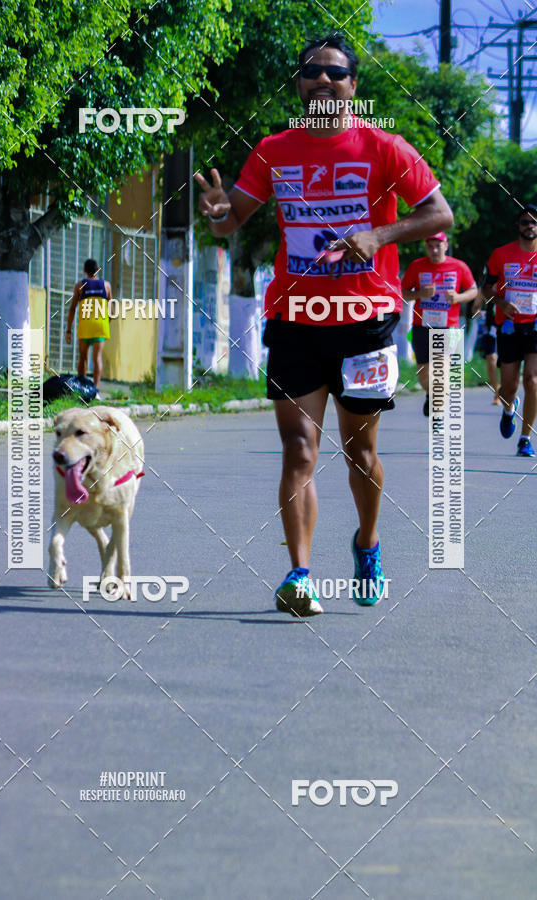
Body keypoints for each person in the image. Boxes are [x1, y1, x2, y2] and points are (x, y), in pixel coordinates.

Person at [195, 33, 453, 617]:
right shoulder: (273, 150)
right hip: (295, 318)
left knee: (359, 453)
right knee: (299, 449)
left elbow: (441, 214)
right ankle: (300, 574)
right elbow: (230, 221)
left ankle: (367, 544)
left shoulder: (385, 148)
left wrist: (378, 235)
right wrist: (217, 216)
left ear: (353, 86)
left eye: (335, 73)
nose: (323, 80)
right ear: (300, 83)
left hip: (364, 321)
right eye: (312, 72)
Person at [401, 233, 477, 416]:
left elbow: (473, 290)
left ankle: (438, 415)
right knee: (424, 376)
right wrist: (419, 293)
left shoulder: (459, 266)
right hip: (422, 327)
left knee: (441, 373)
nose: (435, 250)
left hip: (447, 327)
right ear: (426, 247)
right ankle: (431, 395)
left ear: (446, 245)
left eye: (438, 245)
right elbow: (402, 293)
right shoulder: (417, 266)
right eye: (431, 246)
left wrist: (458, 297)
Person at [484, 204, 537, 457]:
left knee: (533, 381)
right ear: (518, 226)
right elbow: (486, 289)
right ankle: (508, 409)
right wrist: (502, 303)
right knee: (509, 386)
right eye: (526, 222)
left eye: (534, 222)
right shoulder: (501, 254)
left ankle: (525, 439)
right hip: (508, 326)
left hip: (535, 326)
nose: (530, 226)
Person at [66, 259, 112, 393]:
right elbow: (111, 309)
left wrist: (68, 330)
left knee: (83, 357)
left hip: (85, 325)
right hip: (100, 326)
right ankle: (96, 390)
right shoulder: (107, 285)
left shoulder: (80, 286)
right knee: (97, 358)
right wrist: (106, 323)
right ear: (98, 269)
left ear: (85, 271)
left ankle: (82, 388)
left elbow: (72, 308)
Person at [471, 285, 500, 404]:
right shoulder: (488, 285)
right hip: (490, 326)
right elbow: (475, 307)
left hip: (509, 325)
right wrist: (477, 312)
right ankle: (497, 393)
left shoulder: (513, 283)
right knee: (491, 359)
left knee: (506, 362)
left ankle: (507, 389)